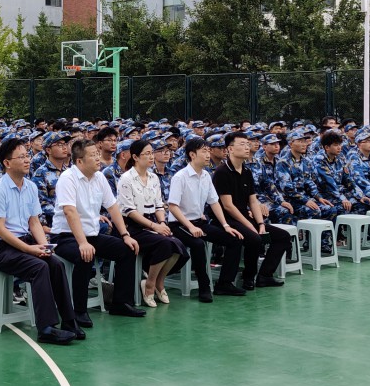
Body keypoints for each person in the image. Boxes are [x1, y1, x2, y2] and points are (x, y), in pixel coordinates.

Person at [0, 136, 80, 344]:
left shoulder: (30, 187)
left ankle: (69, 320)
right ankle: (46, 328)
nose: (27, 160)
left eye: (27, 155)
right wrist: (29, 249)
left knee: (55, 264)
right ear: (7, 163)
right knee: (39, 267)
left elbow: (34, 222)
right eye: (21, 157)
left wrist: (43, 246)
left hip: (22, 241)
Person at [52, 139, 145, 317]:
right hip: (66, 237)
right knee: (85, 255)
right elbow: (70, 212)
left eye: (97, 154)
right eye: (93, 155)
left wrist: (125, 235)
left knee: (127, 249)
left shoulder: (99, 177)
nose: (98, 158)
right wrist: (82, 243)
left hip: (91, 235)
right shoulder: (67, 178)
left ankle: (121, 303)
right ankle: (79, 311)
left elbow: (113, 207)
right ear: (80, 161)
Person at [166, 135, 245, 303]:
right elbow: (173, 207)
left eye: (209, 151)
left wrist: (225, 225)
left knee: (234, 239)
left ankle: (225, 283)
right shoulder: (180, 177)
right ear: (192, 154)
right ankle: (204, 287)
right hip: (179, 224)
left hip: (199, 222)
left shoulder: (206, 176)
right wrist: (190, 227)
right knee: (198, 244)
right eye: (204, 151)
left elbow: (214, 202)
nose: (208, 154)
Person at [212, 131, 291, 290]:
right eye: (242, 144)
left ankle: (265, 276)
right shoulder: (222, 172)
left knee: (282, 236)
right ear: (230, 149)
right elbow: (228, 206)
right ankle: (248, 277)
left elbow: (253, 201)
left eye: (248, 144)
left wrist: (260, 223)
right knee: (254, 239)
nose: (247, 147)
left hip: (244, 217)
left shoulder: (247, 171)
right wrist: (249, 225)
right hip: (225, 219)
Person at [116, 138, 186, 306]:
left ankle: (158, 281)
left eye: (151, 153)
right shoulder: (126, 179)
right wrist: (155, 226)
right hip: (132, 227)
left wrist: (162, 223)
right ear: (135, 157)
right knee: (165, 244)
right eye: (146, 154)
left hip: (153, 223)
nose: (151, 157)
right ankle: (150, 284)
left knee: (178, 245)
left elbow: (159, 205)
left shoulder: (153, 178)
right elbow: (130, 211)